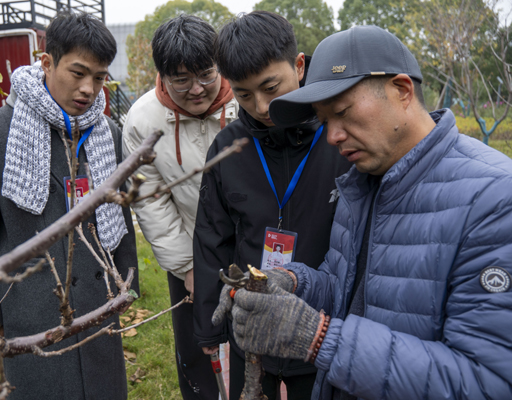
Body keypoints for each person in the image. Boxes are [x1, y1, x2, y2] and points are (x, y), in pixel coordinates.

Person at [213, 25, 512, 399]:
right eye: (325, 121)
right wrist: (292, 281)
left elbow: (489, 381)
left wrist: (318, 339)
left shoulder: (494, 200)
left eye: (342, 112)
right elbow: (346, 290)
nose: (333, 136)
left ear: (401, 90)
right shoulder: (363, 183)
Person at [0, 12, 138, 400]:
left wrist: (126, 285)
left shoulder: (106, 132)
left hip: (96, 305)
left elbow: (120, 212)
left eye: (99, 77)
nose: (88, 89)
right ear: (46, 62)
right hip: (31, 313)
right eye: (78, 73)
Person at [193, 11, 350, 400]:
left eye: (270, 87)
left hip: (322, 326)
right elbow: (212, 236)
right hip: (252, 327)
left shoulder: (340, 136)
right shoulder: (228, 148)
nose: (261, 106)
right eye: (244, 94)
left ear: (299, 66)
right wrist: (210, 326)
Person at [122, 14, 238, 399]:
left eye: (206, 74)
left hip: (252, 242)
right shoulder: (142, 121)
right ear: (163, 75)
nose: (197, 89)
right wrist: (189, 266)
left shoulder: (245, 97)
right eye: (182, 80)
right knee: (198, 352)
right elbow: (151, 201)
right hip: (190, 249)